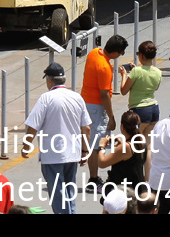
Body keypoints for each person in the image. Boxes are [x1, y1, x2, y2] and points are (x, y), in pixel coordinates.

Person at [21, 62, 91, 215]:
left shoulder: (46, 98)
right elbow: (86, 128)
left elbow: (33, 125)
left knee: (57, 194)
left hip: (52, 155)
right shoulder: (77, 97)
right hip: (73, 153)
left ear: (50, 80)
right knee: (69, 191)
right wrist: (85, 151)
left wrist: (26, 145)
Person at [81, 33, 128, 187]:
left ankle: (93, 177)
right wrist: (111, 117)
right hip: (96, 107)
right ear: (114, 52)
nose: (120, 56)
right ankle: (93, 180)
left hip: (86, 102)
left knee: (92, 141)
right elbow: (104, 95)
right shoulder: (104, 68)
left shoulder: (94, 53)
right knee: (96, 144)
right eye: (120, 53)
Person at [97, 109, 148, 195]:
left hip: (126, 193)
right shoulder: (140, 141)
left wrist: (102, 146)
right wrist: (121, 144)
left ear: (122, 127)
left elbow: (102, 163)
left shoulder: (126, 147)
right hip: (138, 188)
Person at [120, 40, 162, 138]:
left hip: (139, 109)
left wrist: (124, 75)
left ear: (142, 55)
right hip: (154, 109)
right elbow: (155, 87)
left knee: (135, 141)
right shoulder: (158, 72)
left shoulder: (136, 71)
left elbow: (123, 91)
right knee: (148, 144)